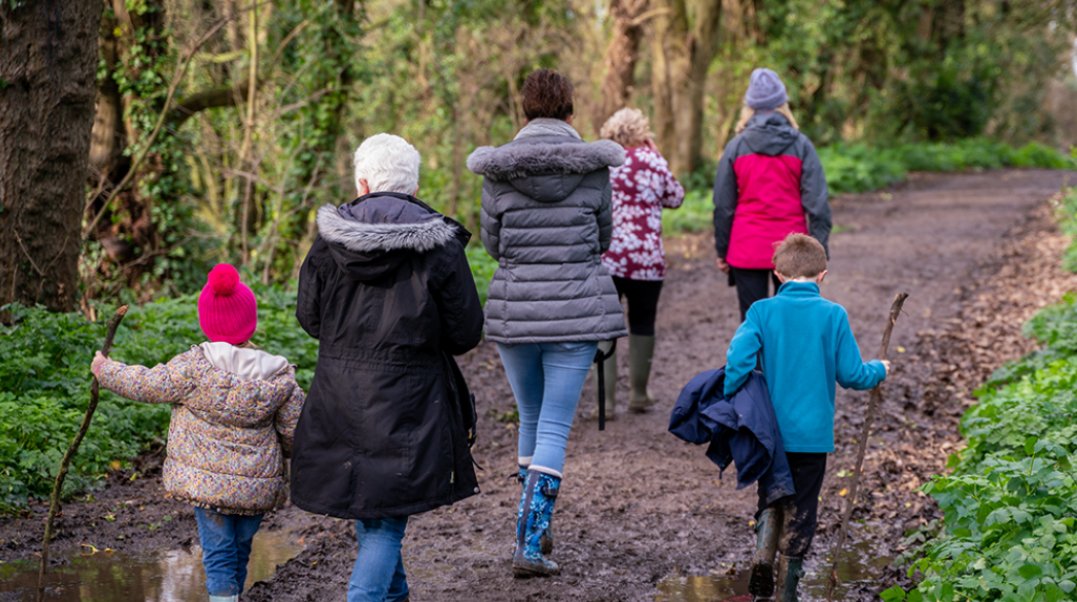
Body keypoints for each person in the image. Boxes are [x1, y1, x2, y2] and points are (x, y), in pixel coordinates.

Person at [290, 133, 483, 602]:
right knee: (384, 524)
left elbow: (310, 318)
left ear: (362, 183)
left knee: (376, 510)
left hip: (339, 393)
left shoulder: (327, 242)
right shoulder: (440, 246)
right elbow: (465, 333)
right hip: (411, 400)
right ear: (414, 189)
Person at [467, 68, 627, 578]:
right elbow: (603, 236)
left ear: (524, 113)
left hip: (517, 309)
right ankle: (530, 543)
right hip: (577, 309)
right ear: (569, 114)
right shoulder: (593, 168)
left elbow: (493, 243)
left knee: (531, 417)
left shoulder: (498, 173)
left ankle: (533, 528)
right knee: (555, 424)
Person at [91, 263, 306, 602]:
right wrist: (287, 455)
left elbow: (148, 383)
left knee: (218, 554)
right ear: (250, 323)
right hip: (256, 486)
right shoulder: (278, 376)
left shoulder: (193, 368)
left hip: (207, 485)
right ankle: (232, 595)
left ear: (207, 322)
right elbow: (296, 433)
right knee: (239, 549)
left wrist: (106, 369)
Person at [722, 233, 889, 601]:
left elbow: (738, 361)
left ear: (777, 274)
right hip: (812, 437)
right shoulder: (833, 315)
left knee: (771, 495)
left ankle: (763, 554)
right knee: (802, 508)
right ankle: (787, 592)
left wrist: (733, 394)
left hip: (769, 433)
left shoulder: (762, 311)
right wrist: (880, 369)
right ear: (823, 275)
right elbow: (852, 375)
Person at [713, 67, 832, 321]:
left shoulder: (736, 146)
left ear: (750, 106)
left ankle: (756, 363)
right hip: (793, 251)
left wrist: (722, 251)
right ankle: (787, 363)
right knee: (792, 323)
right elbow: (818, 205)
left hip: (746, 247)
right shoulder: (801, 145)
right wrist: (820, 253)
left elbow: (723, 206)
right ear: (782, 104)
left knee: (753, 323)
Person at [598, 107, 685, 416]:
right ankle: (638, 393)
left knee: (606, 326)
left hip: (610, 258)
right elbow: (676, 197)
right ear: (641, 131)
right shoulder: (653, 161)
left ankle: (605, 401)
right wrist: (657, 158)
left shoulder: (604, 162)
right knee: (643, 322)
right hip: (647, 261)